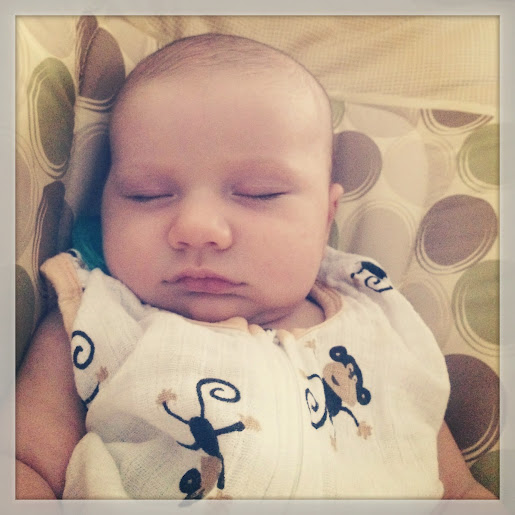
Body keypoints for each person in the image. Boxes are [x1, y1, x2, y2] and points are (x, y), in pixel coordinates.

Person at [15, 33, 496, 500]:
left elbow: (457, 489)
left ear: (326, 217)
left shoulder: (380, 321)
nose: (197, 227)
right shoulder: (93, 318)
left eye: (259, 193)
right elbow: (25, 467)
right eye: (148, 194)